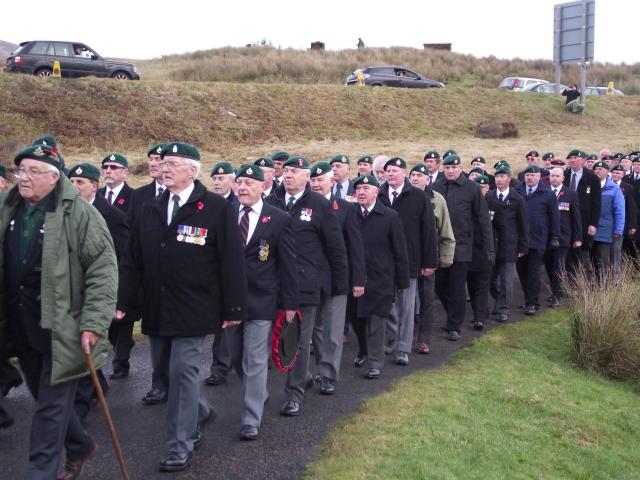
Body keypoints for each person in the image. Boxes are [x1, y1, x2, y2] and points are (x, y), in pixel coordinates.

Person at [118, 142, 247, 472]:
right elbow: (133, 261)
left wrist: (233, 308)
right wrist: (124, 302)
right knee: (164, 373)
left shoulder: (216, 208)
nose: (165, 167)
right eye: (163, 162)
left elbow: (231, 262)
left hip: (195, 307)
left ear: (193, 170)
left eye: (173, 163)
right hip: (158, 308)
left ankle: (180, 444)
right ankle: (201, 412)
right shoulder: (150, 207)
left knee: (184, 373)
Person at [0, 144, 117, 479]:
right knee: (44, 399)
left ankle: (40, 472)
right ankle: (80, 445)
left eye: (32, 171)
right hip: (22, 323)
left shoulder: (80, 214)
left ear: (55, 177)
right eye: (20, 170)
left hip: (63, 326)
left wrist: (93, 322)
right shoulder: (8, 208)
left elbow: (103, 269)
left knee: (49, 412)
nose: (23, 178)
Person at [266, 156, 347, 417]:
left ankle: (294, 395)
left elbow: (335, 248)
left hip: (305, 285)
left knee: (299, 341)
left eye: (294, 171)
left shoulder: (320, 205)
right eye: (286, 171)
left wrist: (339, 284)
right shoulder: (271, 202)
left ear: (306, 177)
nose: (288, 175)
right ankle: (268, 388)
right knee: (268, 340)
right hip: (272, 283)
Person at [222, 164, 299, 440]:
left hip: (262, 299)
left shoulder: (278, 219)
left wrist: (290, 304)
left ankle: (250, 418)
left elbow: (288, 264)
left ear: (263, 187)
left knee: (255, 359)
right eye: (239, 182)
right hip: (230, 300)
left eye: (249, 183)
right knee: (235, 357)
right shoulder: (225, 213)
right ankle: (259, 392)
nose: (242, 188)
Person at [67, 163, 129, 422]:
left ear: (95, 185)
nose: (74, 187)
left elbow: (121, 260)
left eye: (80, 183)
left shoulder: (112, 216)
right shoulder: (62, 213)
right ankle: (95, 384)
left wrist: (119, 298)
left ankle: (85, 401)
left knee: (90, 342)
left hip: (98, 292)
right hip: (69, 295)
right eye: (70, 182)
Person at [309, 162, 365, 392]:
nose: (315, 184)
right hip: (311, 278)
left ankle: (329, 375)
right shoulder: (305, 207)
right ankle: (322, 365)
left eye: (320, 180)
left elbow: (356, 247)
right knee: (316, 328)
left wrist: (358, 280)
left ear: (331, 182)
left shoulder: (345, 208)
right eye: (312, 180)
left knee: (333, 329)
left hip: (337, 277)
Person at [378, 157, 438, 364]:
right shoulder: (378, 194)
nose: (391, 174)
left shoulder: (418, 197)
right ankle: (388, 341)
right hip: (382, 261)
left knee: (407, 306)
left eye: (396, 170)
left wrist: (429, 262)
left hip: (410, 260)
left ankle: (403, 348)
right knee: (386, 304)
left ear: (405, 173)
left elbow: (428, 231)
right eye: (388, 171)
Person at [353, 175, 409, 378]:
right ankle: (363, 351)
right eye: (358, 188)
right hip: (355, 278)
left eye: (366, 188)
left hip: (381, 278)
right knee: (358, 320)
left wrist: (402, 281)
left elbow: (400, 250)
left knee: (378, 322)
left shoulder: (389, 216)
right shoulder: (351, 214)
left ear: (377, 192)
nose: (361, 192)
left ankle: (375, 362)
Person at [433, 154, 494, 340]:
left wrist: (488, 248)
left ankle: (454, 325)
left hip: (462, 246)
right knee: (439, 285)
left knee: (457, 286)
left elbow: (483, 219)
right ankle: (454, 312)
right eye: (447, 168)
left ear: (460, 168)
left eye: (453, 167)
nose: (450, 171)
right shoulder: (436, 187)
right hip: (440, 245)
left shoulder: (472, 188)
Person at [130, 143, 170, 406]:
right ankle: (159, 384)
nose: (155, 163)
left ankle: (192, 407)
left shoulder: (197, 201)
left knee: (181, 354)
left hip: (181, 285)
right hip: (153, 281)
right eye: (152, 159)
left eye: (161, 159)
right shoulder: (140, 196)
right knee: (156, 337)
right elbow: (134, 242)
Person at [408, 164, 455, 354]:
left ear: (428, 179)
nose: (415, 178)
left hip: (429, 256)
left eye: (420, 175)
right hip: (409, 257)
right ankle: (408, 331)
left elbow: (445, 229)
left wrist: (446, 255)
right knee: (407, 300)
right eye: (413, 175)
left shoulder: (437, 199)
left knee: (427, 299)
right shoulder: (405, 197)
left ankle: (424, 338)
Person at [486, 165, 529, 323]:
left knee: (507, 281)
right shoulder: (489, 197)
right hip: (492, 244)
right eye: (497, 177)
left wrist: (523, 247)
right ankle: (500, 300)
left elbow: (524, 224)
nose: (499, 179)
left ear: (509, 179)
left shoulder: (517, 199)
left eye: (502, 177)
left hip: (509, 245)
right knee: (490, 280)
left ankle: (503, 309)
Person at [515, 164, 560, 316]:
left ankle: (532, 303)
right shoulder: (516, 192)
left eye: (533, 175)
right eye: (527, 175)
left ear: (539, 177)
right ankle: (528, 299)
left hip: (538, 238)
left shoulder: (547, 194)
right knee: (521, 270)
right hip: (520, 239)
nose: (530, 177)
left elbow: (554, 217)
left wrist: (554, 236)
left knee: (533, 272)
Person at [545, 167, 582, 307]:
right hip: (547, 237)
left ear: (562, 178)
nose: (554, 178)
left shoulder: (570, 194)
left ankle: (557, 294)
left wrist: (577, 237)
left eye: (557, 176)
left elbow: (576, 217)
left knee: (558, 266)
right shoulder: (544, 192)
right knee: (548, 265)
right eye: (552, 176)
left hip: (563, 236)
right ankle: (554, 291)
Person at [564, 149, 601, 271]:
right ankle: (569, 284)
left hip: (585, 221)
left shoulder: (592, 178)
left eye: (575, 157)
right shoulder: (564, 175)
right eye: (570, 158)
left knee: (582, 254)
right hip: (566, 220)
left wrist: (593, 224)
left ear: (584, 160)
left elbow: (596, 203)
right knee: (567, 256)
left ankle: (583, 284)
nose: (572, 160)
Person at [590, 161, 625, 281]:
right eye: (596, 169)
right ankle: (591, 284)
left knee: (603, 259)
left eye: (601, 169)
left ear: (607, 172)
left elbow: (620, 211)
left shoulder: (614, 189)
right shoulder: (588, 187)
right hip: (589, 229)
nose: (598, 171)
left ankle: (604, 285)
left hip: (605, 230)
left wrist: (618, 230)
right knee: (590, 258)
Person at [467, 176, 493, 330]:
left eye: (482, 188)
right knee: (471, 285)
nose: (480, 190)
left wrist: (492, 250)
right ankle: (478, 312)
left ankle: (479, 317)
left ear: (487, 188)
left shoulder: (493, 203)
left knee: (482, 286)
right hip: (470, 250)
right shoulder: (469, 204)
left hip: (486, 251)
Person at [609, 165, 637, 279]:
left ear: (623, 175)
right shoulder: (607, 185)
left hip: (621, 223)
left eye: (618, 173)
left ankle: (617, 276)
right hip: (607, 223)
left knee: (617, 249)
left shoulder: (628, 187)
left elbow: (632, 208)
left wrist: (632, 225)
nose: (615, 175)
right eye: (614, 173)